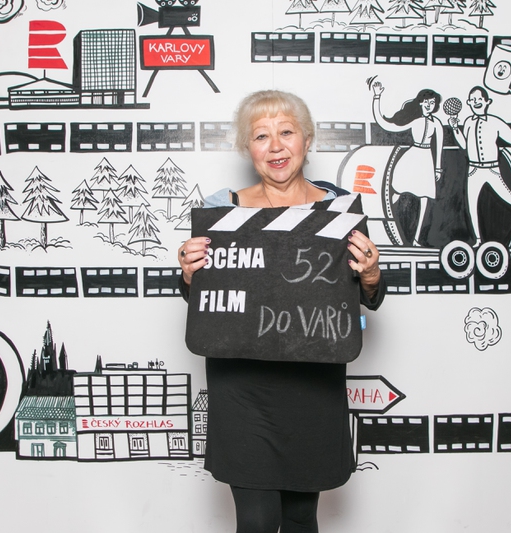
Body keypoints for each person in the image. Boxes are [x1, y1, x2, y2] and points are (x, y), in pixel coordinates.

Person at [177, 90, 385, 533]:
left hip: (312, 382)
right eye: (261, 136)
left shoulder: (340, 209)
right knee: (257, 521)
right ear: (248, 148)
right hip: (242, 384)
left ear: (307, 140)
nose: (275, 146)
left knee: (300, 517)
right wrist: (191, 275)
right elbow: (206, 302)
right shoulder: (220, 209)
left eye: (286, 132)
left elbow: (362, 297)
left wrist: (370, 274)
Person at [449, 86, 511, 246]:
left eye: (479, 99)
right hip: (473, 171)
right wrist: (454, 128)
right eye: (473, 100)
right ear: (469, 103)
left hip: (492, 169)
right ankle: (478, 240)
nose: (476, 102)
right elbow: (464, 145)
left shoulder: (495, 122)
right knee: (472, 205)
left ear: (487, 102)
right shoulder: (468, 122)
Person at [371, 83, 444, 246]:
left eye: (432, 103)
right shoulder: (415, 121)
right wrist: (377, 97)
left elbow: (438, 147)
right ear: (420, 103)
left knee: (425, 198)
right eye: (426, 102)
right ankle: (382, 225)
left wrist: (438, 168)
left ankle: (417, 239)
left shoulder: (437, 124)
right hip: (411, 158)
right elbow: (385, 124)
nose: (429, 105)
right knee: (395, 191)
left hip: (426, 160)